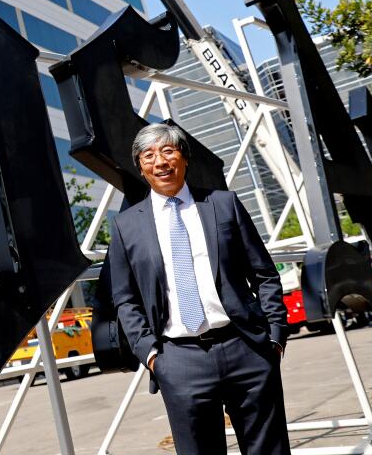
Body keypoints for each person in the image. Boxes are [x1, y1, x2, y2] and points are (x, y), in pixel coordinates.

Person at [107, 123, 290, 454]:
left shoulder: (223, 204)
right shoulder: (125, 226)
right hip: (178, 359)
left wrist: (274, 336)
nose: (160, 162)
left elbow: (264, 273)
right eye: (149, 155)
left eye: (168, 151)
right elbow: (124, 298)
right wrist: (150, 355)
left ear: (184, 158)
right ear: (141, 167)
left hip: (246, 349)